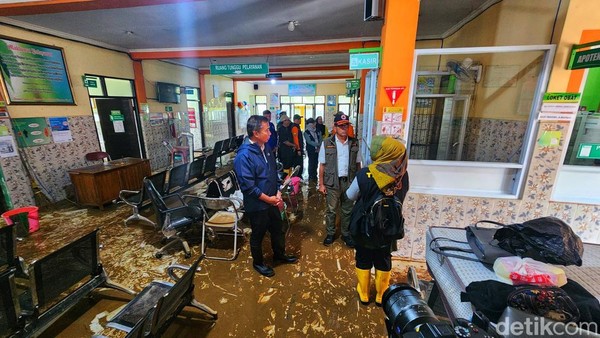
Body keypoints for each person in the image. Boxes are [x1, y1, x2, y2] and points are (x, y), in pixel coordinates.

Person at [346, 135, 409, 306]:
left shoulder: (365, 173)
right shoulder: (402, 174)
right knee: (384, 258)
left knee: (364, 257)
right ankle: (382, 295)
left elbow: (350, 195)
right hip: (389, 226)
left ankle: (364, 293)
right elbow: (401, 198)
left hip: (365, 227)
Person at [234, 115, 298, 277]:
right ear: (256, 133)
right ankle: (258, 263)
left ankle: (279, 254)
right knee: (258, 234)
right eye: (267, 130)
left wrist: (277, 191)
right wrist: (268, 199)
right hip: (258, 205)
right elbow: (248, 186)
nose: (270, 133)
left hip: (272, 199)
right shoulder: (244, 156)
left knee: (278, 229)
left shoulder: (265, 148)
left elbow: (272, 172)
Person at [318, 112, 361, 248]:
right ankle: (330, 233)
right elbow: (322, 165)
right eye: (341, 126)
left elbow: (358, 164)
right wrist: (321, 184)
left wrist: (359, 183)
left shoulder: (354, 143)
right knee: (331, 210)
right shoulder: (326, 143)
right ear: (335, 127)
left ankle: (346, 234)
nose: (344, 128)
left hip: (349, 182)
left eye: (346, 125)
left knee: (347, 210)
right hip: (332, 182)